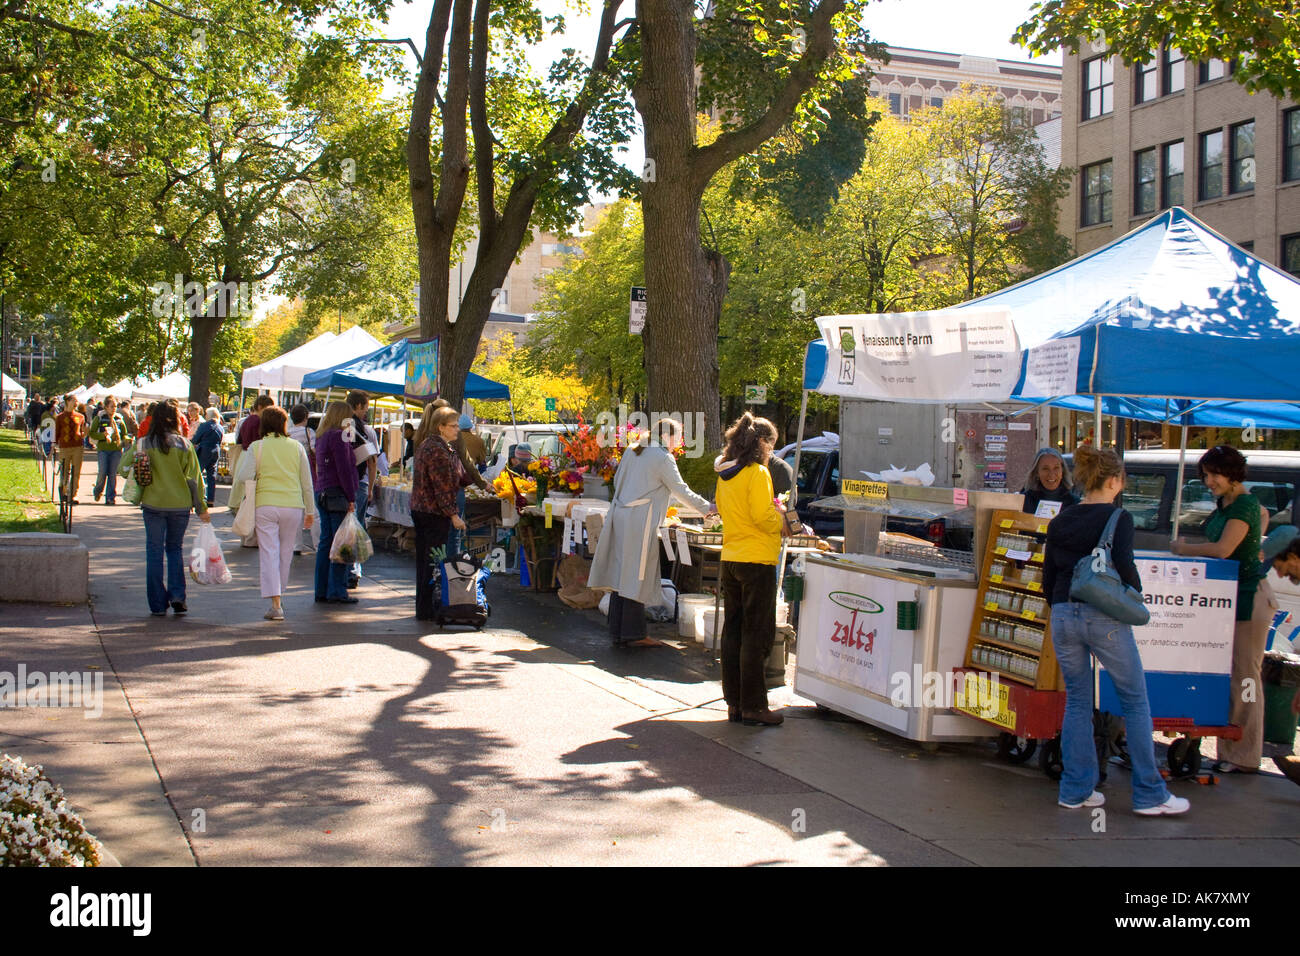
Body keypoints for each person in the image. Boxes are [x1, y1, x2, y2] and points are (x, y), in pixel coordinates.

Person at [1044, 444, 1188, 815]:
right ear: (1113, 480)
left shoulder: (1060, 520)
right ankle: (1149, 794)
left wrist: (1063, 607)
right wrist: (1134, 599)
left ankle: (1075, 789)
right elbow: (1125, 567)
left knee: (1077, 699)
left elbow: (1047, 579)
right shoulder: (1117, 519)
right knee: (1134, 700)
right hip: (1102, 615)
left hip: (1063, 614)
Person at [1171, 444, 1271, 774]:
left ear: (1231, 474)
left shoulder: (1244, 503)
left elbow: (1225, 549)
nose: (1208, 481)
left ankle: (1243, 756)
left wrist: (1184, 550)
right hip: (1226, 598)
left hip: (1249, 597)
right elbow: (1262, 521)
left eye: (1214, 475)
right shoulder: (1229, 502)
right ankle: (1229, 750)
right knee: (1228, 674)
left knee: (1245, 676)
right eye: (1206, 476)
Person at [589, 418, 711, 649]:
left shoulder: (633, 450)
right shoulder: (662, 457)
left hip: (622, 515)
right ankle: (634, 634)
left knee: (621, 574)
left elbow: (618, 480)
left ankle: (618, 630)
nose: (678, 443)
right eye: (677, 438)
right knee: (636, 575)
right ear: (668, 436)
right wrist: (709, 509)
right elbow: (681, 490)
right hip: (640, 521)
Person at [713, 413, 786, 726]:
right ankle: (754, 706)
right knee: (756, 634)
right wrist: (781, 522)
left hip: (731, 556)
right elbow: (761, 515)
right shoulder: (757, 472)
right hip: (757, 559)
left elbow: (728, 512)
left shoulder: (725, 474)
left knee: (733, 632)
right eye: (769, 445)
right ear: (760, 444)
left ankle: (735, 702)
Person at [122, 402, 210, 615]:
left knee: (154, 552)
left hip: (152, 504)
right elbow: (194, 479)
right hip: (180, 506)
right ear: (176, 419)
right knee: (174, 549)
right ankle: (178, 595)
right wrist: (202, 507)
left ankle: (157, 603)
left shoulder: (143, 443)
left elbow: (123, 468)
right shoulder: (185, 445)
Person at [229, 406, 315, 622]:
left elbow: (243, 476)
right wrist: (310, 510)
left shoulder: (257, 447)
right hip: (293, 505)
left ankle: (275, 602)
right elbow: (307, 482)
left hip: (265, 504)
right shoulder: (297, 447)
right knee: (286, 553)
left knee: (269, 552)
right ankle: (279, 594)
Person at [410, 406, 471, 620]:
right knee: (432, 560)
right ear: (441, 427)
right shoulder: (437, 449)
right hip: (432, 512)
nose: (457, 430)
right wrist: (454, 515)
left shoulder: (431, 445)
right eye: (453, 426)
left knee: (425, 560)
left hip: (422, 509)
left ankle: (424, 607)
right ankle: (428, 608)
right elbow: (442, 487)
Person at [313, 401, 360, 605]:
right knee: (341, 544)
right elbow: (344, 470)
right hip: (336, 494)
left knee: (326, 543)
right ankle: (337, 590)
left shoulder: (322, 435)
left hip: (322, 491)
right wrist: (351, 496)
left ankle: (322, 589)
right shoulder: (339, 437)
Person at [345, 390, 379, 589]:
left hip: (343, 484)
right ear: (358, 406)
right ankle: (354, 569)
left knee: (344, 528)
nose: (366, 410)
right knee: (356, 528)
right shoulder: (368, 431)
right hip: (361, 483)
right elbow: (373, 463)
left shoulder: (339, 428)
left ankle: (344, 567)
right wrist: (371, 488)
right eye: (365, 406)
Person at [288, 405, 317, 554]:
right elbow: (314, 450)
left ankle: (296, 545)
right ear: (305, 417)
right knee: (312, 507)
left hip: (291, 471)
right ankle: (317, 543)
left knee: (297, 508)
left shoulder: (287, 433)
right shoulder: (309, 432)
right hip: (307, 471)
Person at [88, 396, 128, 505]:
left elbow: (124, 434)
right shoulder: (100, 418)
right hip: (103, 449)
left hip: (116, 450)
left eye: (115, 406)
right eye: (111, 406)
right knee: (102, 472)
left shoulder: (119, 419)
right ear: (106, 407)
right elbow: (92, 433)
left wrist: (125, 440)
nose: (114, 409)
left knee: (112, 474)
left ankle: (110, 497)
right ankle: (98, 490)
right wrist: (102, 435)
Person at [1021, 447, 1080, 516]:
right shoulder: (1023, 502)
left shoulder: (1074, 503)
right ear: (1037, 472)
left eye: (1056, 468)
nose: (1051, 474)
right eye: (1045, 469)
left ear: (1062, 470)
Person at [54, 394, 88, 503]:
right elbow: (57, 432)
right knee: (64, 471)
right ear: (68, 402)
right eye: (74, 401)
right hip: (64, 447)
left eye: (77, 401)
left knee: (76, 471)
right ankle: (64, 492)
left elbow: (82, 431)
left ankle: (73, 494)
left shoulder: (80, 417)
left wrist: (85, 433)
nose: (76, 403)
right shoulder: (60, 417)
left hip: (78, 446)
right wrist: (54, 445)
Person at [191, 408, 224, 508]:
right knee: (211, 476)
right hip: (216, 451)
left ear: (209, 415)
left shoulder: (204, 425)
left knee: (197, 474)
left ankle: (196, 498)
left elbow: (196, 439)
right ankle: (210, 500)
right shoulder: (220, 427)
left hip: (204, 451)